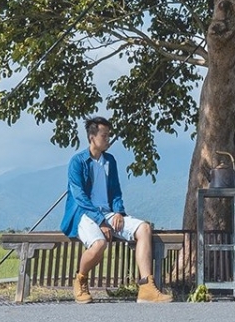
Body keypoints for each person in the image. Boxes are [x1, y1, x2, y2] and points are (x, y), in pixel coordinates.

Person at [62, 116, 171, 303]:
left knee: (144, 228)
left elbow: (116, 191)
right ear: (92, 137)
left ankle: (146, 287)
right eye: (104, 136)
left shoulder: (110, 161)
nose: (108, 140)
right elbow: (80, 197)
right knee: (99, 244)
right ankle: (80, 280)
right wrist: (100, 221)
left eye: (108, 136)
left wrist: (119, 211)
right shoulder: (77, 162)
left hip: (109, 213)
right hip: (85, 214)